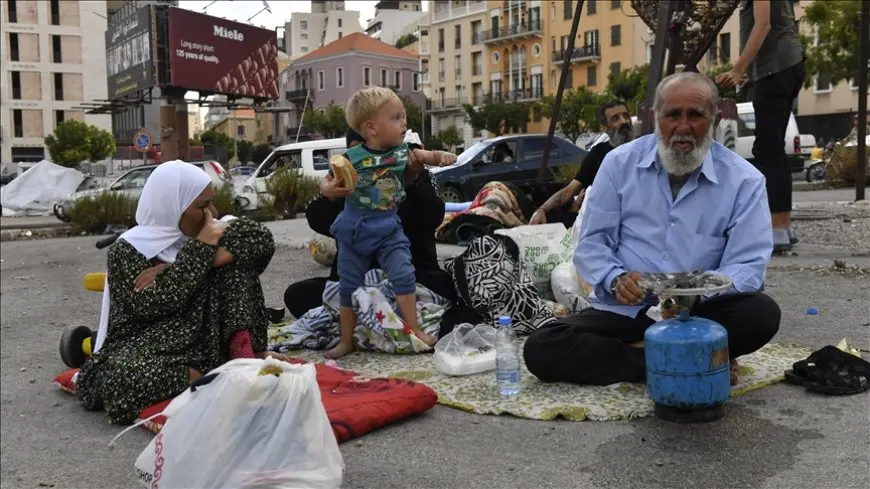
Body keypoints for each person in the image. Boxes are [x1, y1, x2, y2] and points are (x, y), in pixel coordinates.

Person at [523, 72, 781, 387]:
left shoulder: (744, 181)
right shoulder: (618, 164)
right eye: (672, 115)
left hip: (698, 314)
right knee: (541, 346)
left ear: (713, 120)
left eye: (696, 115)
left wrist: (696, 296)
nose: (683, 127)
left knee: (762, 314)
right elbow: (592, 245)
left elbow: (748, 265)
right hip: (627, 310)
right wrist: (615, 279)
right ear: (654, 117)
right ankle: (674, 359)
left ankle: (655, 354)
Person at [76, 161, 288, 425]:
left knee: (236, 263)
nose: (212, 212)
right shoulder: (129, 249)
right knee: (118, 380)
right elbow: (154, 304)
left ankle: (241, 358)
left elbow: (262, 241)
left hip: (208, 339)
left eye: (211, 203)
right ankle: (210, 376)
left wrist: (189, 262)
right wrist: (199, 250)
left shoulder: (213, 232)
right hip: (156, 343)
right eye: (201, 206)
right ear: (172, 208)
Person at [327, 87, 457, 358]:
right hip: (355, 228)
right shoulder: (350, 158)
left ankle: (413, 329)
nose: (404, 123)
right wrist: (327, 190)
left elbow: (427, 155)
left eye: (404, 117)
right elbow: (327, 181)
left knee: (403, 274)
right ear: (371, 128)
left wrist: (441, 157)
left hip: (388, 227)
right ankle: (346, 340)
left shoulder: (403, 153)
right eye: (396, 118)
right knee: (347, 284)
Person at [285, 128, 457, 318]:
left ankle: (377, 316)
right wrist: (333, 196)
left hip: (411, 278)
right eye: (358, 153)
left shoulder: (411, 174)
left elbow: (433, 216)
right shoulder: (348, 182)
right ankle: (378, 316)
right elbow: (317, 219)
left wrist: (410, 182)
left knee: (448, 288)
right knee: (297, 294)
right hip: (357, 282)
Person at [717, 0, 805, 251]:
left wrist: (738, 68)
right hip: (783, 67)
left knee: (767, 149)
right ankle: (782, 226)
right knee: (775, 149)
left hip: (775, 70)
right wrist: (746, 71)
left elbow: (763, 24)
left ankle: (776, 229)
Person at [530, 100, 635, 227]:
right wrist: (542, 210)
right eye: (615, 118)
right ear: (604, 127)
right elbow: (568, 192)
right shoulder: (598, 154)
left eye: (625, 116)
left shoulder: (643, 150)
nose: (623, 122)